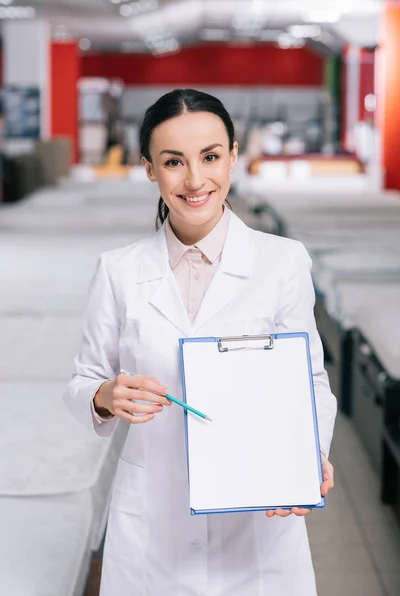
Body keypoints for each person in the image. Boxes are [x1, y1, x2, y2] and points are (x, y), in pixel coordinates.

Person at [64, 88, 336, 596]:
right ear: (149, 169)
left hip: (256, 517)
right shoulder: (118, 270)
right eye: (173, 162)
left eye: (210, 157)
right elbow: (82, 381)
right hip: (152, 520)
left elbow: (310, 380)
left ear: (233, 156)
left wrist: (307, 456)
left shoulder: (283, 261)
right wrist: (104, 397)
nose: (194, 180)